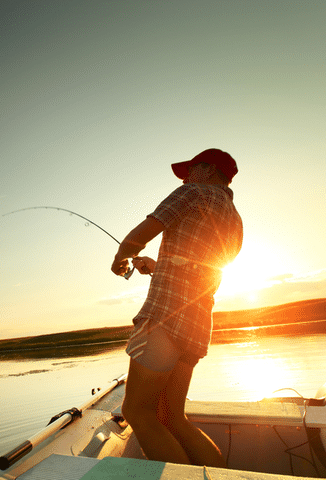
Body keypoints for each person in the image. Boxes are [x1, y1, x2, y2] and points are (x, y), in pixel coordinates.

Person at [111, 148, 243, 466]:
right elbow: (203, 270)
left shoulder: (191, 192)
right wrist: (156, 266)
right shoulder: (235, 219)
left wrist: (121, 258)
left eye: (191, 169)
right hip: (197, 326)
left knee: (136, 411)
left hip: (164, 319)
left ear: (209, 169)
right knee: (172, 417)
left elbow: (144, 232)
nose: (185, 177)